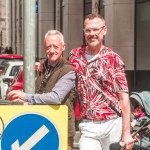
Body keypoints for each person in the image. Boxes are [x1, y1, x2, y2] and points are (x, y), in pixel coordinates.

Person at [68, 13, 134, 150]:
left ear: (104, 30)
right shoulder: (74, 56)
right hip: (88, 124)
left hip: (113, 124)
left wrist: (126, 133)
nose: (92, 33)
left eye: (95, 29)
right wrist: (47, 63)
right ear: (84, 32)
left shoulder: (113, 59)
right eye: (88, 30)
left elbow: (124, 98)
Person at [7, 30, 77, 150]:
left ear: (63, 47)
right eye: (48, 46)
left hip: (61, 128)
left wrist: (25, 96)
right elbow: (40, 95)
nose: (52, 50)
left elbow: (55, 98)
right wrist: (23, 101)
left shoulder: (68, 71)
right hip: (41, 125)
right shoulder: (44, 67)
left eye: (56, 46)